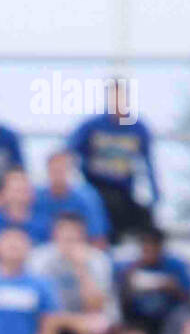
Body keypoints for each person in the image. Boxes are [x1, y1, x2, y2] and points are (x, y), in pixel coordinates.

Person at [67, 86, 158, 243]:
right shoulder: (92, 126)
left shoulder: (138, 128)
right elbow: (70, 152)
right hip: (96, 187)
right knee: (108, 208)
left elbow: (148, 163)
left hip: (125, 189)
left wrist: (155, 194)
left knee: (144, 217)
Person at [28, 212, 115, 334]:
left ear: (84, 237)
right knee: (47, 322)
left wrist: (81, 269)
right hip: (49, 319)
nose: (69, 243)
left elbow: (95, 306)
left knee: (94, 327)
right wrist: (67, 320)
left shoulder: (98, 260)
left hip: (85, 317)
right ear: (54, 235)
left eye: (75, 238)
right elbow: (35, 301)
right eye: (65, 237)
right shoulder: (39, 258)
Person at [115, 224, 190, 334]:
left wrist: (173, 288)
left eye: (153, 248)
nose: (149, 253)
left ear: (161, 248)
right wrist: (128, 285)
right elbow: (122, 303)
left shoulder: (176, 266)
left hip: (168, 316)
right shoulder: (130, 268)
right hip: (139, 318)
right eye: (145, 248)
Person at [30, 150, 109, 246]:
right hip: (44, 251)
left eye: (62, 170)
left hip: (80, 250)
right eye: (54, 170)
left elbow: (98, 237)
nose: (58, 175)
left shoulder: (86, 198)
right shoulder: (36, 197)